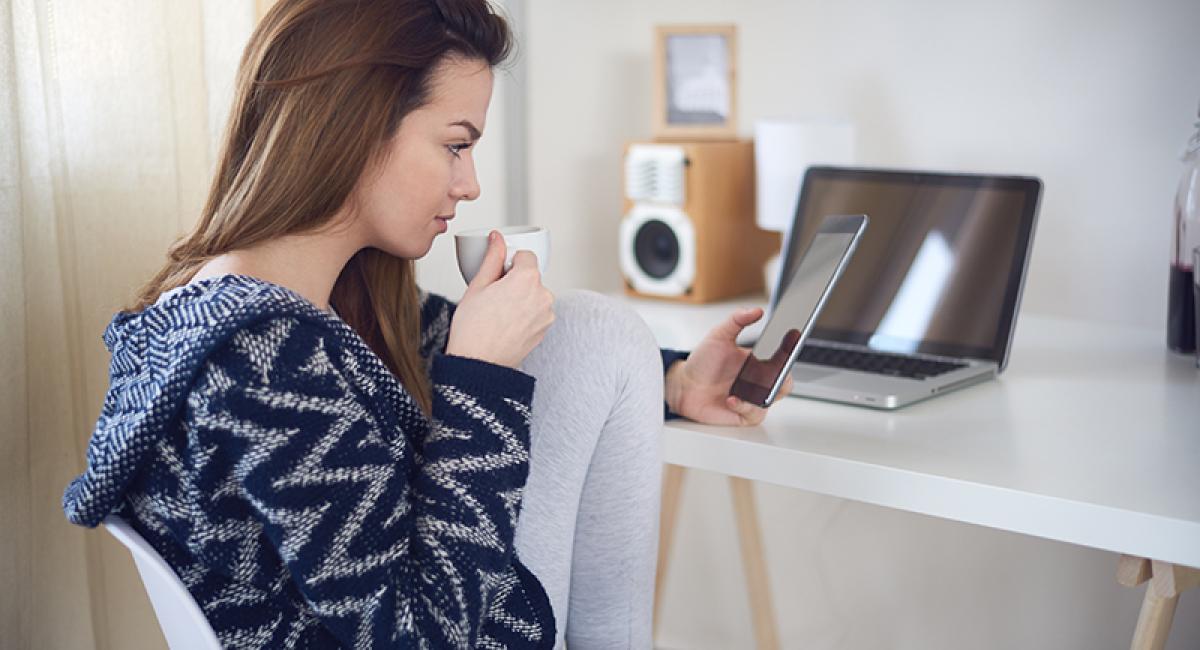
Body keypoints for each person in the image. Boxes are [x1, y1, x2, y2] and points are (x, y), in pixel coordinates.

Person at [61, 1, 790, 648]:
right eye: (455, 144)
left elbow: (486, 343)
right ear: (354, 123)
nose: (469, 183)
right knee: (597, 326)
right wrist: (480, 381)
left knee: (591, 328)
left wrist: (675, 378)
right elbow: (417, 635)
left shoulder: (294, 300)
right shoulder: (260, 358)